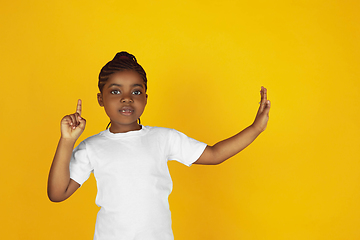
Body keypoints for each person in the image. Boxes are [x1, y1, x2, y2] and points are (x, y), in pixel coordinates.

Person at [47, 51, 271, 240]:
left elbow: (214, 154)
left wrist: (255, 128)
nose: (127, 98)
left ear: (145, 97)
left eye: (136, 91)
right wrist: (67, 141)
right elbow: (57, 193)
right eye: (115, 91)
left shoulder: (164, 138)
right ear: (100, 99)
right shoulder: (92, 147)